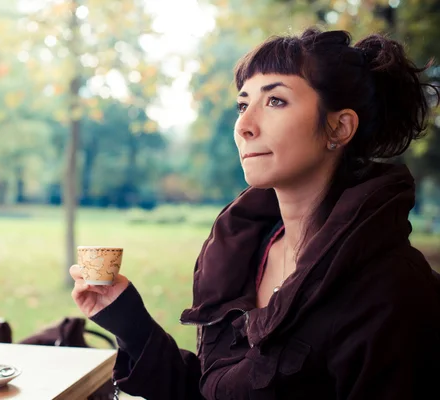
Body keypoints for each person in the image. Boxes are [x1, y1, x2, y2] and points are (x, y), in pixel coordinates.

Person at [70, 27, 440, 400]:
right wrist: (129, 321)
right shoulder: (245, 253)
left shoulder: (393, 291)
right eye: (243, 105)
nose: (244, 126)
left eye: (275, 101)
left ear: (339, 127)